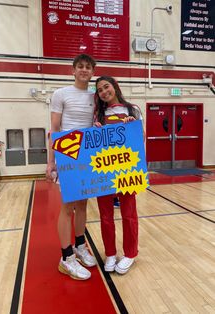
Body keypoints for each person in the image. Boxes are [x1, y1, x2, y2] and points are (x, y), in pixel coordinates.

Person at [46, 54, 97, 280]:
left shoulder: (95, 96)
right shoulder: (61, 94)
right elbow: (55, 129)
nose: (84, 70)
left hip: (87, 155)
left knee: (83, 206)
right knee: (68, 208)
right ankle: (66, 258)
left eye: (88, 67)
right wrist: (51, 162)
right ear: (73, 70)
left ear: (92, 71)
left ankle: (79, 245)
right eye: (80, 67)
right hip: (68, 153)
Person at [94, 75, 143, 274]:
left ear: (115, 86)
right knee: (105, 215)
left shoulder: (133, 110)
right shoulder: (97, 114)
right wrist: (95, 130)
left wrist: (132, 128)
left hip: (127, 169)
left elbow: (141, 141)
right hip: (104, 169)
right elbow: (93, 144)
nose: (104, 92)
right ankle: (111, 254)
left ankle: (130, 253)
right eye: (100, 90)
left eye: (107, 87)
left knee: (129, 214)